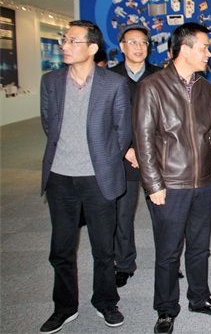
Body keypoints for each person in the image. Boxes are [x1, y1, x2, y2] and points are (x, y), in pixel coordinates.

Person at [132, 23, 211, 334]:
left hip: (204, 182)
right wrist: (153, 184)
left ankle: (200, 299)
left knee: (200, 246)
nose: (208, 53)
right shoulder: (152, 87)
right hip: (170, 184)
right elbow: (143, 141)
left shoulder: (206, 88)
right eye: (204, 47)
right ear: (185, 49)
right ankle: (165, 309)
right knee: (169, 251)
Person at [39, 20, 130, 333]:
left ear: (92, 48)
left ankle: (106, 301)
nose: (65, 46)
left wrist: (104, 160)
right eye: (64, 40)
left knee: (103, 247)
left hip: (97, 177)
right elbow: (49, 125)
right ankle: (64, 307)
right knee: (61, 248)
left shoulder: (113, 84)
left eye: (72, 41)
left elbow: (122, 131)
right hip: (60, 177)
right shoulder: (51, 81)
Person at [109, 25, 161, 288]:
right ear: (122, 46)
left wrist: (148, 152)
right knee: (122, 215)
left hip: (156, 158)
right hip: (124, 157)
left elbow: (167, 119)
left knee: (162, 215)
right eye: (132, 42)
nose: (139, 47)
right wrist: (127, 150)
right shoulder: (109, 77)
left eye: (143, 42)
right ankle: (124, 264)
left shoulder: (161, 76)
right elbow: (105, 121)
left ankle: (167, 262)